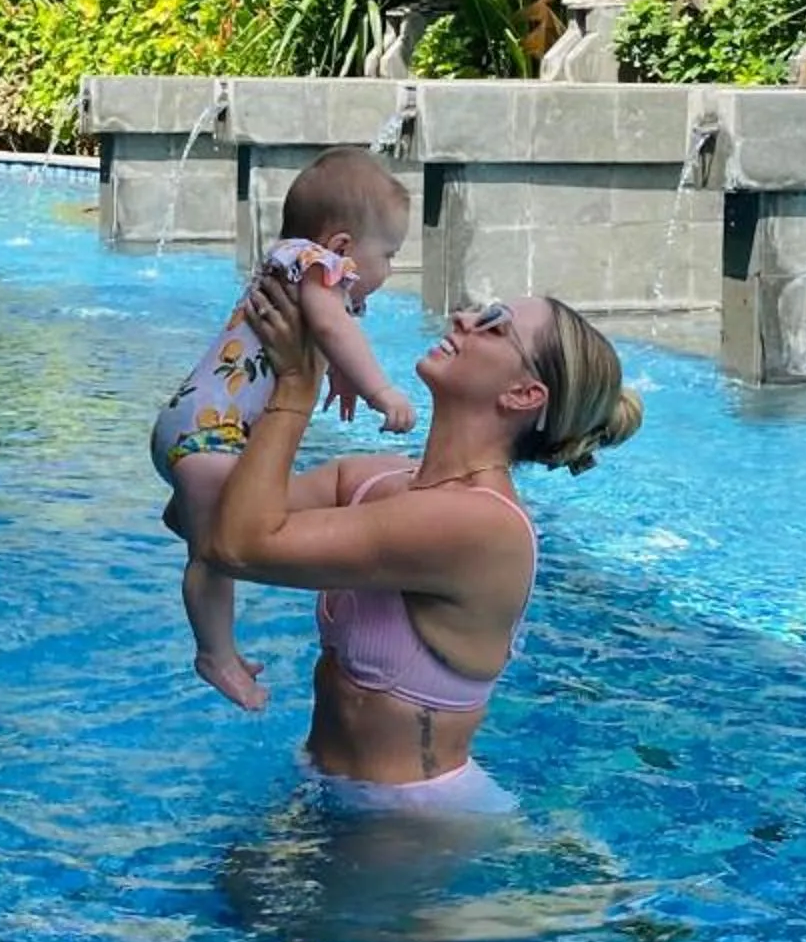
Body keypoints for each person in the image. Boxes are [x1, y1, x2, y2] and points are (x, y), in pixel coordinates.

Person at [208, 275, 642, 804]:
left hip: (413, 823)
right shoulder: (376, 479)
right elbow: (205, 521)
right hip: (325, 786)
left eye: (494, 325)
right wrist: (243, 364)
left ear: (524, 394)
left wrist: (297, 384)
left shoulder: (480, 525)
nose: (463, 318)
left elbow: (239, 547)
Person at [151, 147, 415, 713]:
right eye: (389, 254)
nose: (390, 269)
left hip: (199, 429)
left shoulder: (299, 270)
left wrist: (338, 375)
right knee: (214, 556)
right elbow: (329, 327)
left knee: (228, 515)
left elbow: (328, 330)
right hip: (209, 438)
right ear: (343, 247)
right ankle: (214, 652)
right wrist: (379, 391)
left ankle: (189, 507)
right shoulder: (312, 266)